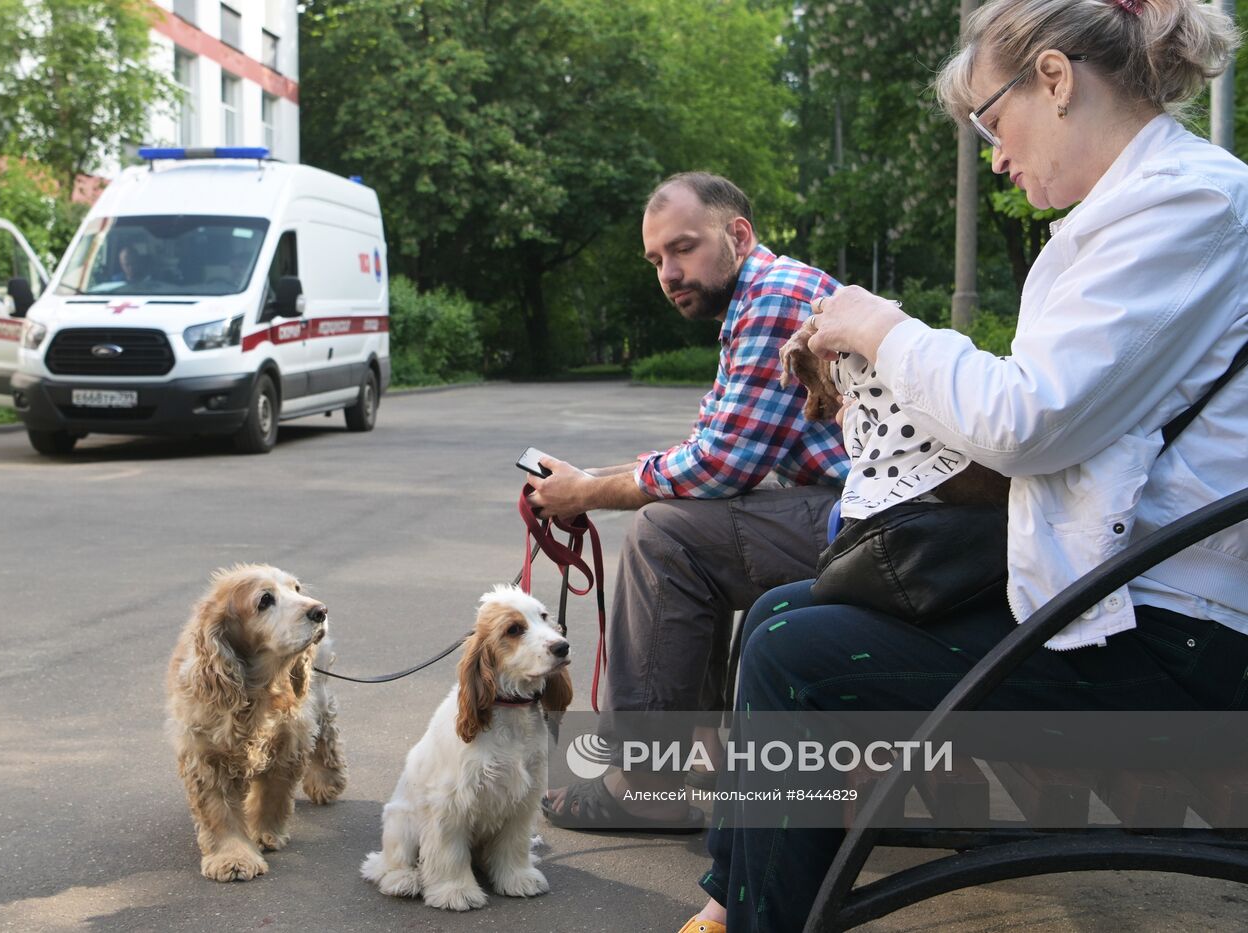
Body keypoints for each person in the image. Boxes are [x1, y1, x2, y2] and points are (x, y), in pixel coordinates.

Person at [681, 1, 1248, 930]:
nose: (992, 153)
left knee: (795, 652)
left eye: (990, 119)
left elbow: (1028, 419)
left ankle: (757, 917)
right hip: (1112, 600)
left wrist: (881, 327)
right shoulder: (1138, 210)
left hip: (1176, 646)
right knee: (791, 610)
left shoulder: (1190, 205)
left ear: (1056, 81)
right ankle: (735, 901)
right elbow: (1052, 417)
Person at [529, 172, 849, 831]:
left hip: (889, 525)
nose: (669, 272)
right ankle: (697, 748)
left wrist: (586, 490)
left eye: (682, 248)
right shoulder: (758, 298)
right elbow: (709, 447)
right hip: (868, 511)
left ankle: (645, 780)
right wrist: (583, 480)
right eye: (656, 260)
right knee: (682, 524)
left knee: (667, 536)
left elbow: (714, 467)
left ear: (737, 234)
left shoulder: (776, 297)